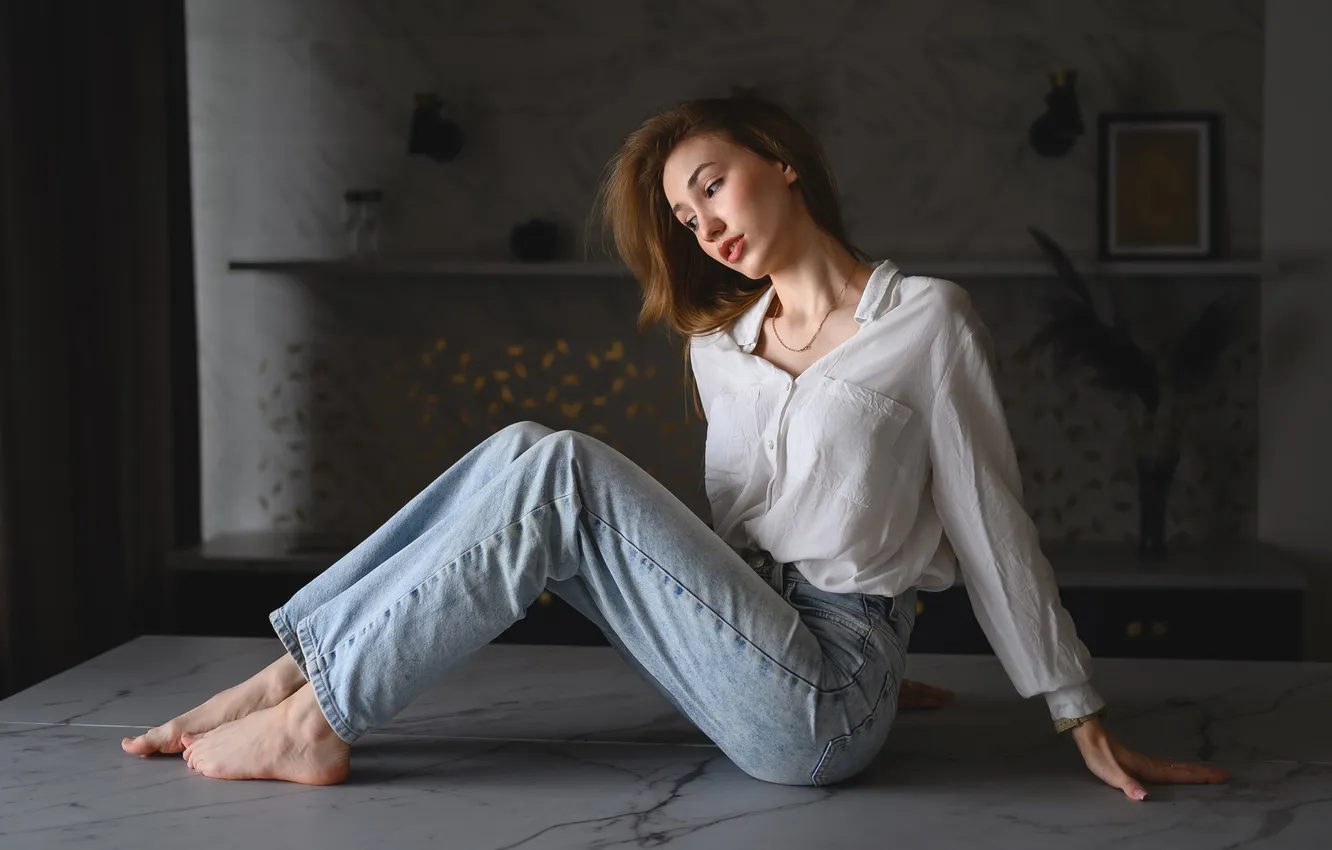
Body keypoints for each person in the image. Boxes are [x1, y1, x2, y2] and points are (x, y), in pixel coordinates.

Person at [121, 93, 1229, 798]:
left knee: (556, 465)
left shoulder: (924, 322)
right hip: (754, 653)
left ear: (782, 160)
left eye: (713, 186)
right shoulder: (723, 346)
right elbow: (733, 545)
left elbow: (990, 525)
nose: (708, 226)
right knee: (522, 445)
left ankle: (317, 715)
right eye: (689, 222)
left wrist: (1070, 705)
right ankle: (290, 673)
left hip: (825, 698)